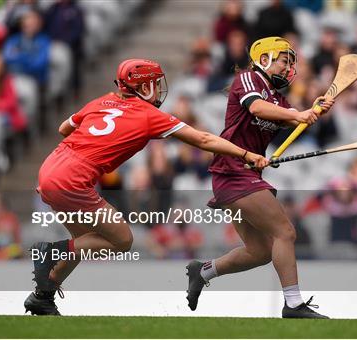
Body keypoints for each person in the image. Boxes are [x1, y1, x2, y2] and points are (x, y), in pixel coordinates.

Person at [24, 58, 269, 316]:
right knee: (121, 239)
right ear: (143, 88)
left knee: (83, 241)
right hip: (72, 178)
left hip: (51, 168)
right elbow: (203, 138)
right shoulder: (149, 115)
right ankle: (50, 252)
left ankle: (43, 295)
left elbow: (65, 128)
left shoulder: (102, 100)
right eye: (154, 83)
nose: (159, 88)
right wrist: (245, 154)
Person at [185, 37, 334, 318]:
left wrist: (314, 110)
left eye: (291, 63)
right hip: (233, 170)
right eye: (284, 61)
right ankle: (293, 304)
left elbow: (291, 117)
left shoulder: (276, 98)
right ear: (264, 59)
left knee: (260, 251)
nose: (289, 68)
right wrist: (301, 114)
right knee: (285, 232)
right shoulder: (250, 79)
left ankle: (202, 271)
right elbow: (257, 108)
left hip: (242, 174)